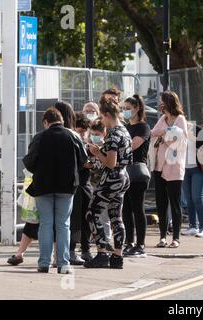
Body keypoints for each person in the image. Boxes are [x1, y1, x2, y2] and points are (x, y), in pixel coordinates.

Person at [23, 107, 87, 274]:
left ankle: (44, 263)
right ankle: (63, 264)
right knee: (63, 225)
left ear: (46, 122)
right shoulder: (73, 136)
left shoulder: (39, 137)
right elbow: (83, 159)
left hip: (43, 186)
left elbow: (29, 162)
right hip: (66, 186)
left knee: (45, 224)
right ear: (62, 121)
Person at [84, 96, 132, 269]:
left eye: (102, 117)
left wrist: (97, 153)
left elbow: (110, 162)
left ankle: (102, 252)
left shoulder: (113, 135)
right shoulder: (125, 131)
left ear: (106, 114)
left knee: (92, 212)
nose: (101, 121)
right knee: (115, 216)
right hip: (123, 176)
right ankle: (117, 257)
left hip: (111, 177)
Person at [151, 91, 188, 249]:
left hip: (174, 166)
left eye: (162, 102)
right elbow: (153, 133)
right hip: (159, 165)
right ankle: (162, 237)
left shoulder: (180, 119)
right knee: (161, 203)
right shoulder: (163, 119)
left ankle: (176, 238)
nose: (160, 104)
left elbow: (179, 140)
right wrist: (166, 134)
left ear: (168, 103)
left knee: (175, 203)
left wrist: (164, 134)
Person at [122, 95, 151, 257]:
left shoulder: (143, 127)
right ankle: (129, 242)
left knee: (137, 209)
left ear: (137, 108)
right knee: (125, 209)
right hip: (124, 172)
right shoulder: (125, 127)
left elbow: (132, 146)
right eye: (123, 109)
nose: (125, 112)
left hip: (137, 172)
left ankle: (140, 244)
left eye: (128, 108)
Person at [69, 112, 94, 265]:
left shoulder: (88, 143)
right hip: (75, 185)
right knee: (75, 221)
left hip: (86, 184)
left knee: (87, 219)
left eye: (85, 130)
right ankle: (71, 250)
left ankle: (86, 250)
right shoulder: (72, 141)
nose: (83, 133)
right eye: (80, 130)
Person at [181, 123, 203, 238]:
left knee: (197, 198)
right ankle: (193, 226)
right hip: (185, 169)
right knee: (189, 199)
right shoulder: (176, 132)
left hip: (199, 169)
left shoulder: (194, 129)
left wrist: (198, 149)